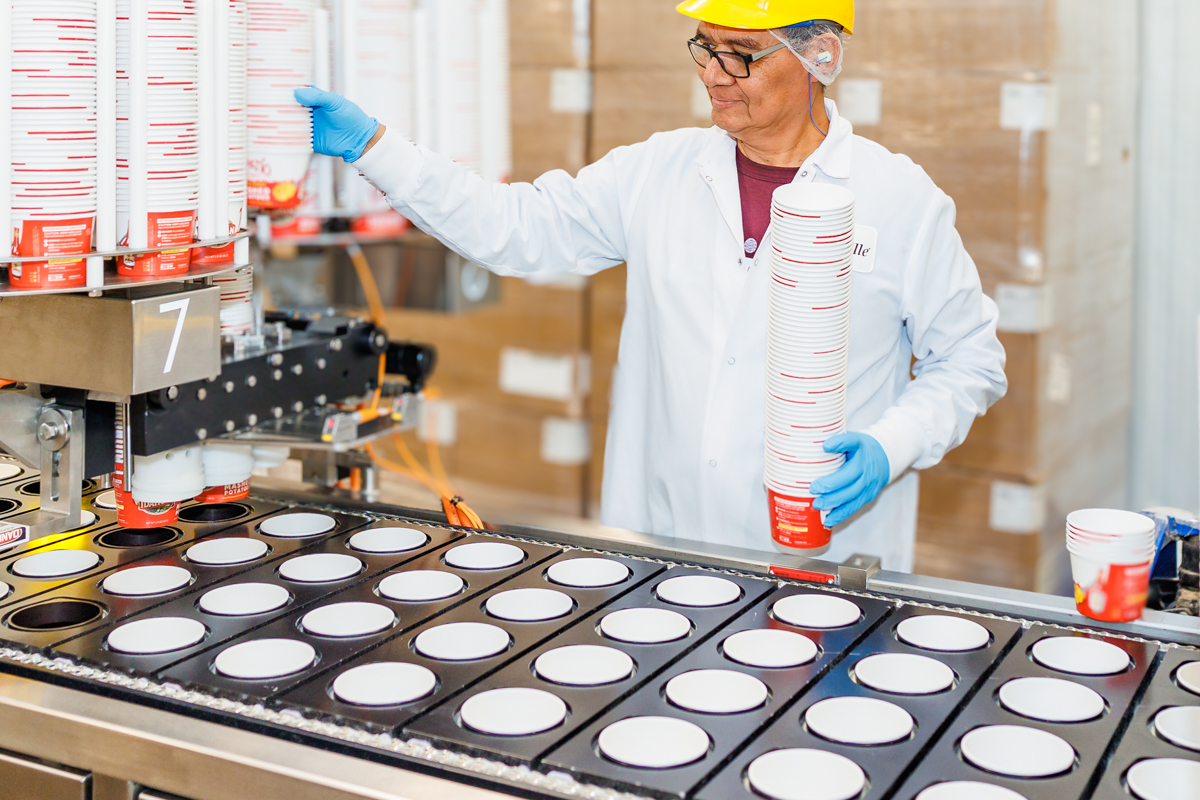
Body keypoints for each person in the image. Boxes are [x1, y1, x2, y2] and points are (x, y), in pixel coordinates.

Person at [294, 0, 1006, 571]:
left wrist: (893, 444)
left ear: (821, 56)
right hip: (663, 560)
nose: (714, 75)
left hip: (826, 565)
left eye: (741, 54)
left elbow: (970, 361)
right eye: (705, 48)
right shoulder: (658, 173)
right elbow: (514, 228)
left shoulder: (899, 200)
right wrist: (377, 148)